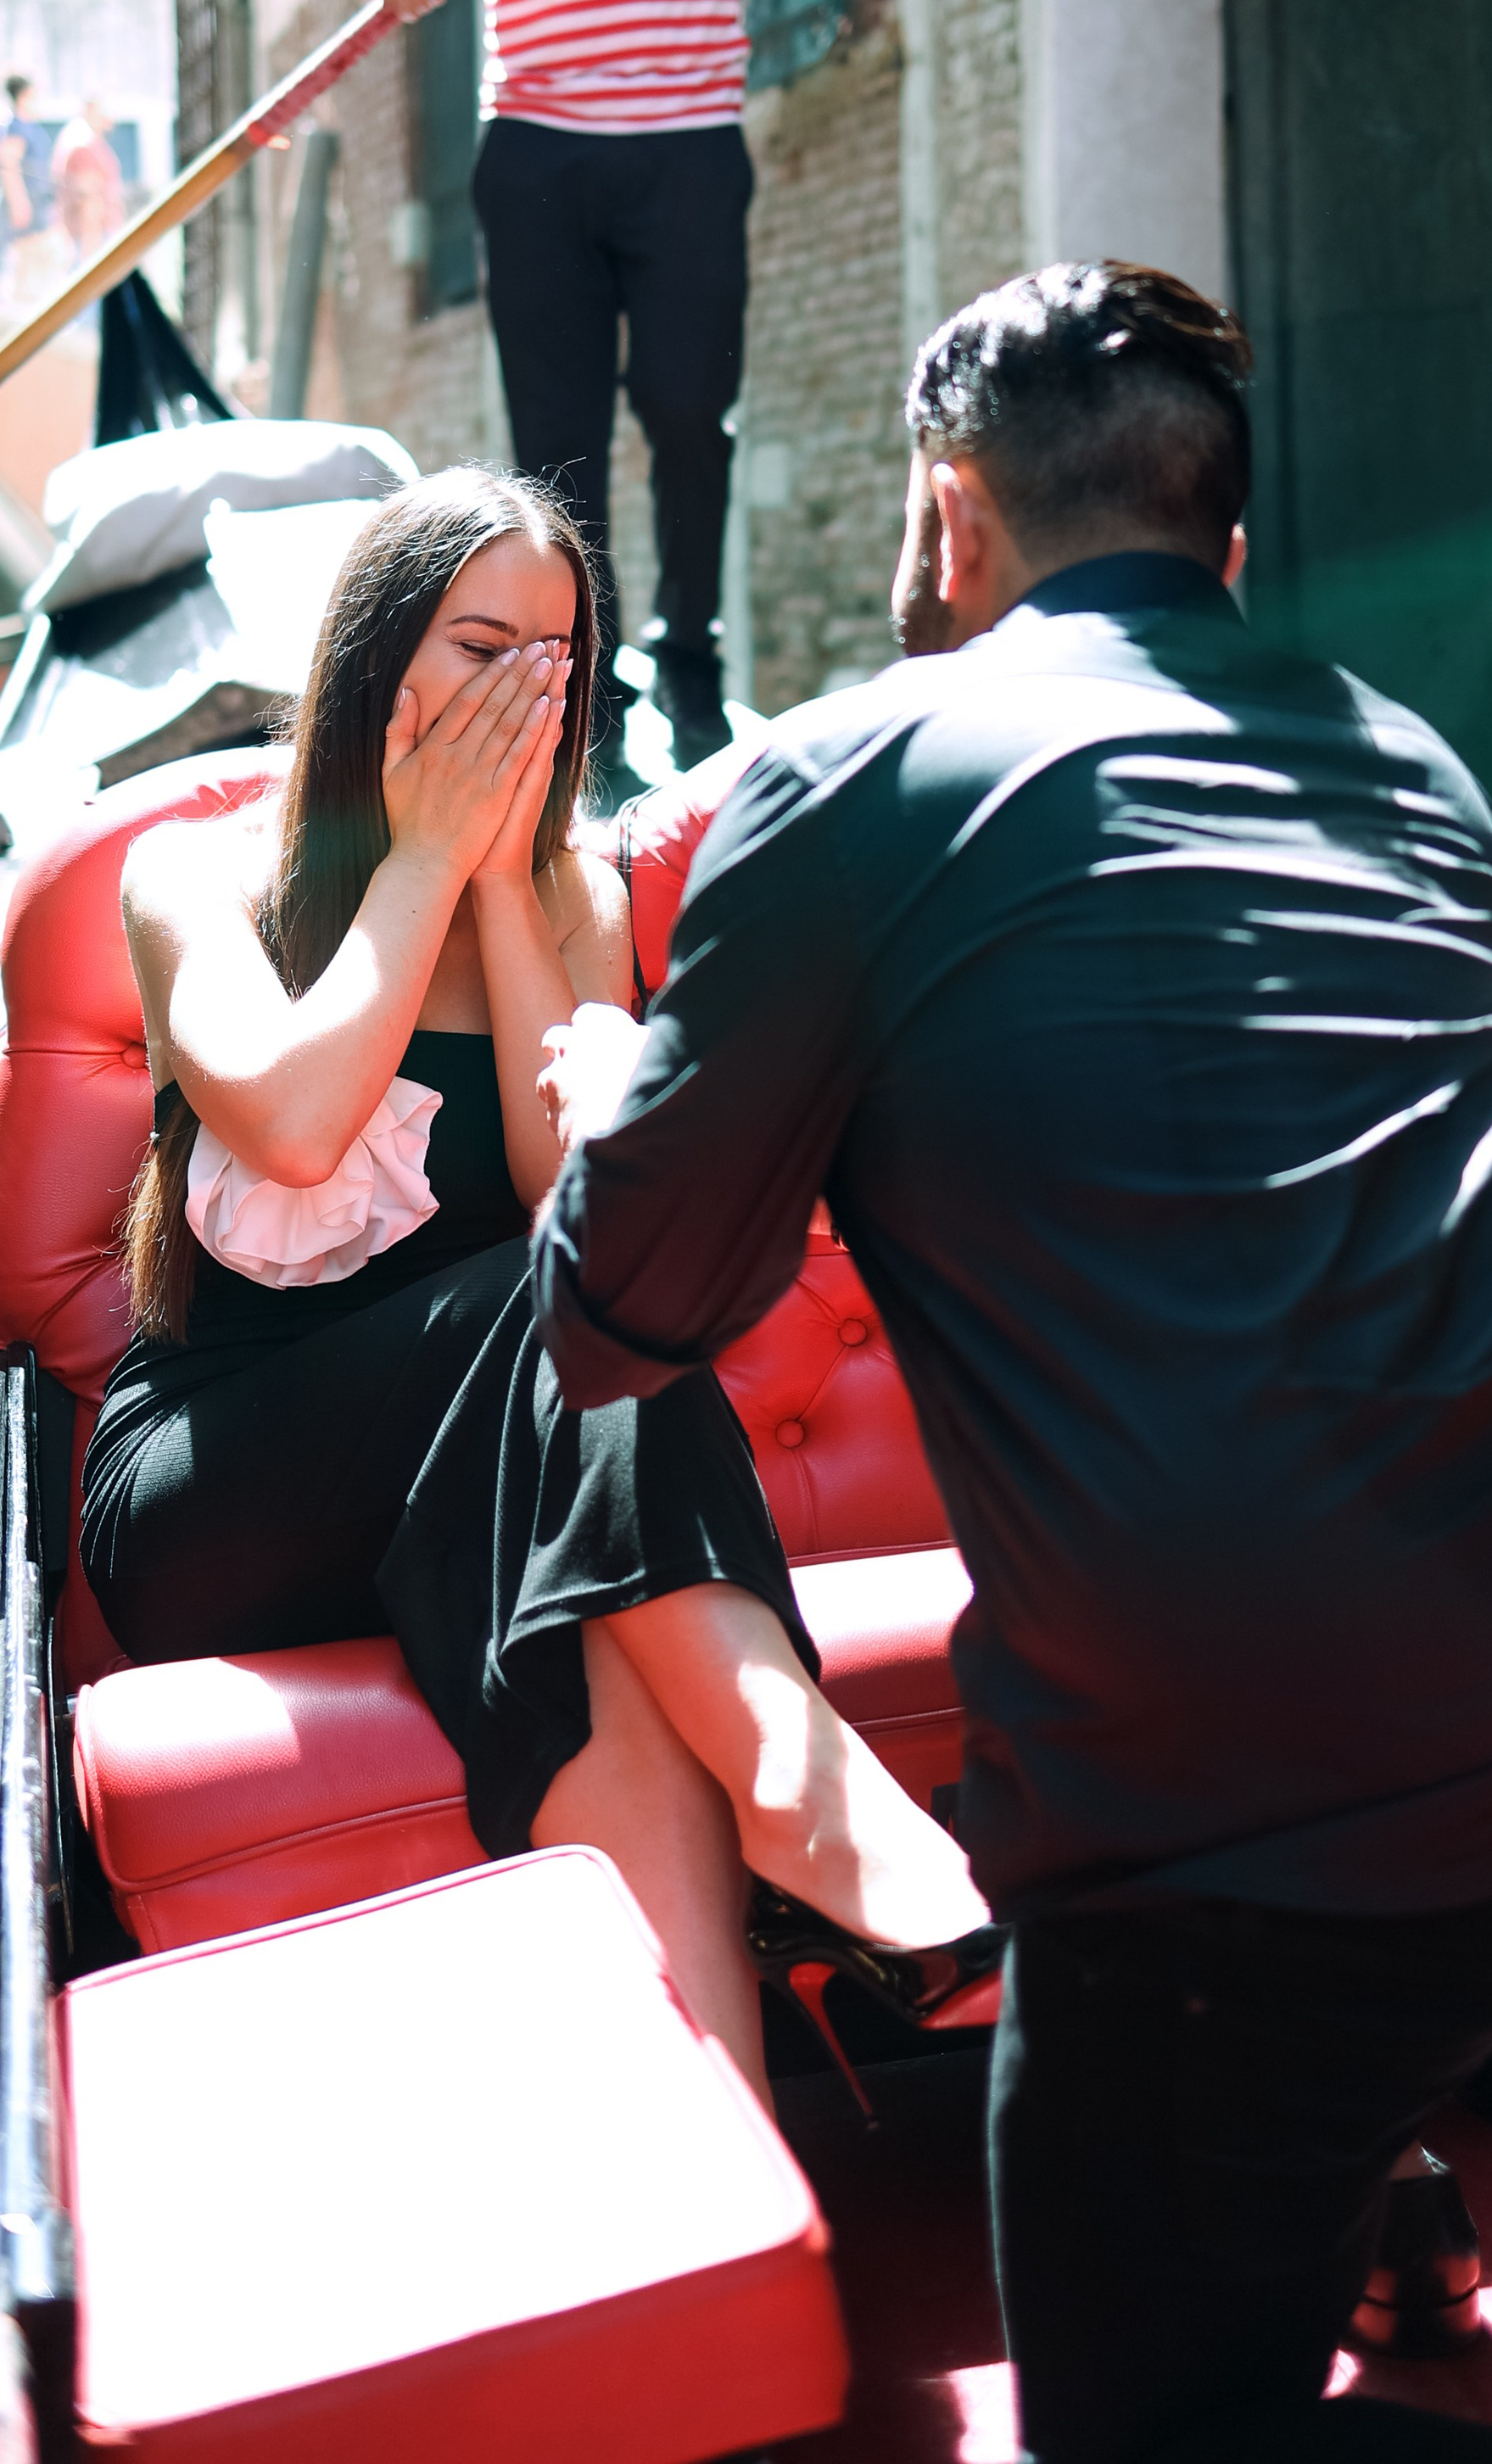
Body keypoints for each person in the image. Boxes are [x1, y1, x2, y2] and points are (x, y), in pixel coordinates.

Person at [531, 264, 1492, 2464]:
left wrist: (615, 1076)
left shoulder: (840, 784)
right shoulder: (1393, 753)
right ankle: (1448, 2187)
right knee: (1381, 1991)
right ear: (1227, 550)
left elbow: (620, 1316)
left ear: (951, 522)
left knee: (1137, 2425)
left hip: (1252, 1766)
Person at [81, 463, 988, 2105]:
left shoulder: (570, 900)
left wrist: (508, 886)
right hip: (224, 1489)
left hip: (494, 1487)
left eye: (554, 657)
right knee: (538, 1296)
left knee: (614, 1673)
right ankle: (806, 1788)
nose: (522, 689)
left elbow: (590, 1222)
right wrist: (423, 855)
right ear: (376, 657)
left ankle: (737, 2161)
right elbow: (291, 1132)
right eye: (477, 643)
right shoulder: (197, 873)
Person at [349, 0, 904, 794]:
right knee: (556, 441)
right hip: (535, 152)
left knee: (687, 412)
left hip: (685, 149)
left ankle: (692, 656)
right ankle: (578, 684)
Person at [0, 74, 56, 301]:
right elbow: (8, 165)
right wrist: (19, 203)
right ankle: (16, 307)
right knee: (24, 258)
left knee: (38, 257)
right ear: (24, 95)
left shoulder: (27, 125)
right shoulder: (16, 127)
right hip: (25, 202)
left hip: (36, 200)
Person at [52, 95, 123, 258]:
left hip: (98, 235)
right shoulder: (84, 146)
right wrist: (91, 253)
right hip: (92, 241)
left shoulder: (91, 142)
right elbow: (89, 202)